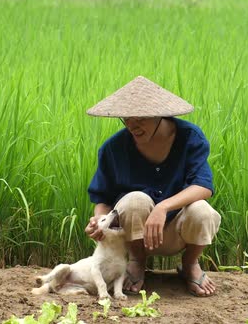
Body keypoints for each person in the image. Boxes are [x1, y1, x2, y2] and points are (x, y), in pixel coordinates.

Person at [84, 76, 222, 297]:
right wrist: (98, 221)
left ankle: (190, 264)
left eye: (140, 118)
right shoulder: (113, 149)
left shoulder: (190, 138)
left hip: (178, 231)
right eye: (126, 118)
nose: (131, 125)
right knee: (134, 199)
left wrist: (163, 207)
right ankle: (137, 261)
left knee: (203, 210)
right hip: (134, 234)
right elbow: (103, 196)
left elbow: (203, 185)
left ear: (159, 115)